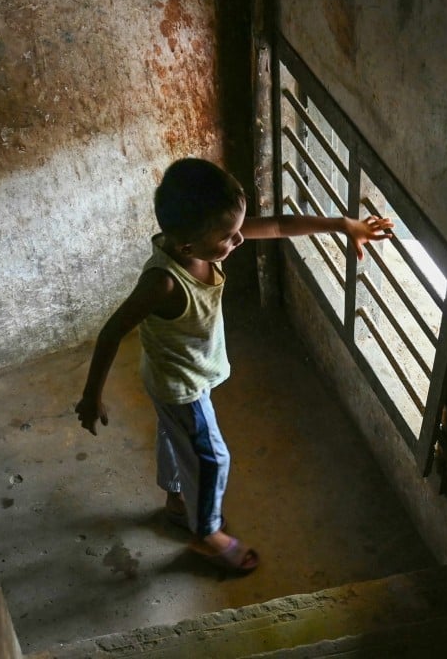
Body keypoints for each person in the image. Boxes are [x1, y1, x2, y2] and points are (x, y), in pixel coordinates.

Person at [74, 157, 392, 575]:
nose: (240, 240)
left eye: (239, 229)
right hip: (181, 385)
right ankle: (205, 533)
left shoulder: (205, 239)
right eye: (229, 237)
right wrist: (91, 395)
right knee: (211, 458)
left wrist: (342, 223)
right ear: (188, 248)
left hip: (170, 373)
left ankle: (176, 499)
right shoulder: (165, 281)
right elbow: (113, 331)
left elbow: (278, 226)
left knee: (176, 436)